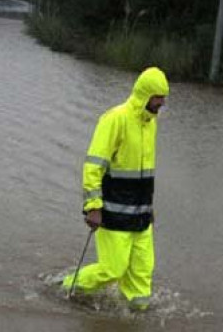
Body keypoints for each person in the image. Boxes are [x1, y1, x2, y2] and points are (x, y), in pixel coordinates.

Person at [62, 67, 169, 311]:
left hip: (141, 216)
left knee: (142, 274)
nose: (162, 103)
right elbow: (93, 166)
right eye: (158, 96)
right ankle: (68, 286)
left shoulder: (150, 124)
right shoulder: (114, 119)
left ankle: (136, 316)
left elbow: (146, 171)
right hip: (113, 212)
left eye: (164, 97)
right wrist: (93, 207)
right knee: (112, 269)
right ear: (145, 94)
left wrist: (148, 208)